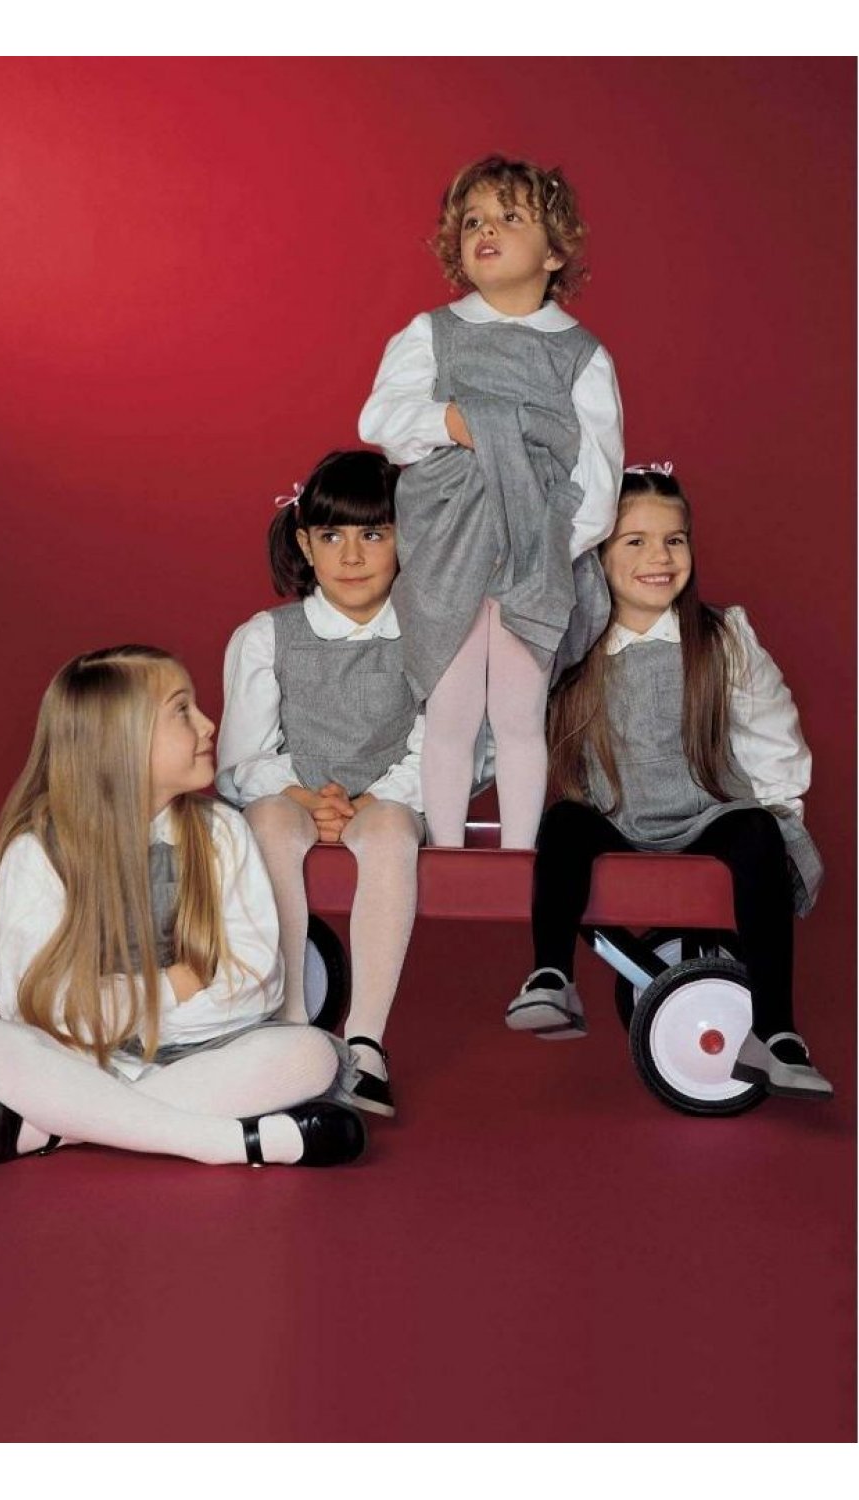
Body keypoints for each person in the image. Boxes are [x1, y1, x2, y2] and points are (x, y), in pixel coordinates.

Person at [0, 645, 367, 1167]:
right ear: (121, 740)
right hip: (79, 1058)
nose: (209, 725)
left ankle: (60, 1127)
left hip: (203, 1052)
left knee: (309, 1057)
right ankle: (226, 1144)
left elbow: (256, 984)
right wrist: (173, 986)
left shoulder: (220, 833)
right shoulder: (38, 852)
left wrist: (118, 1009)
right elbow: (34, 1003)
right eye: (182, 710)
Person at [506, 465, 832, 1100]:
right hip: (615, 816)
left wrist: (782, 809)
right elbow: (506, 733)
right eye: (634, 541)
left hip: (707, 814)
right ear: (596, 556)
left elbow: (772, 730)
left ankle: (776, 1030)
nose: (659, 556)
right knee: (564, 823)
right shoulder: (572, 652)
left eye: (674, 540)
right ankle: (550, 975)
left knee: (760, 831)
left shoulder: (719, 638)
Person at [359, 153, 624, 849]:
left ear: (556, 250)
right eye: (473, 220)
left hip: (533, 559)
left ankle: (517, 854)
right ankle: (446, 850)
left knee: (516, 710)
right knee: (449, 707)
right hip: (447, 548)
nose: (487, 231)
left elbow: (598, 477)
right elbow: (383, 419)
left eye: (511, 217)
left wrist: (542, 551)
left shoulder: (581, 354)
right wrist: (456, 422)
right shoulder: (433, 333)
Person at [216, 450, 429, 1118]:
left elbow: (451, 745)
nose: (354, 555)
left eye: (375, 534)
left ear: (406, 539)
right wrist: (307, 796)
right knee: (268, 822)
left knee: (392, 830)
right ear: (306, 543)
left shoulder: (430, 635)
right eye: (333, 535)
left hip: (387, 801)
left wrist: (370, 800)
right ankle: (291, 1027)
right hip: (298, 801)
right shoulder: (266, 637)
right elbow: (240, 759)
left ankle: (365, 1045)